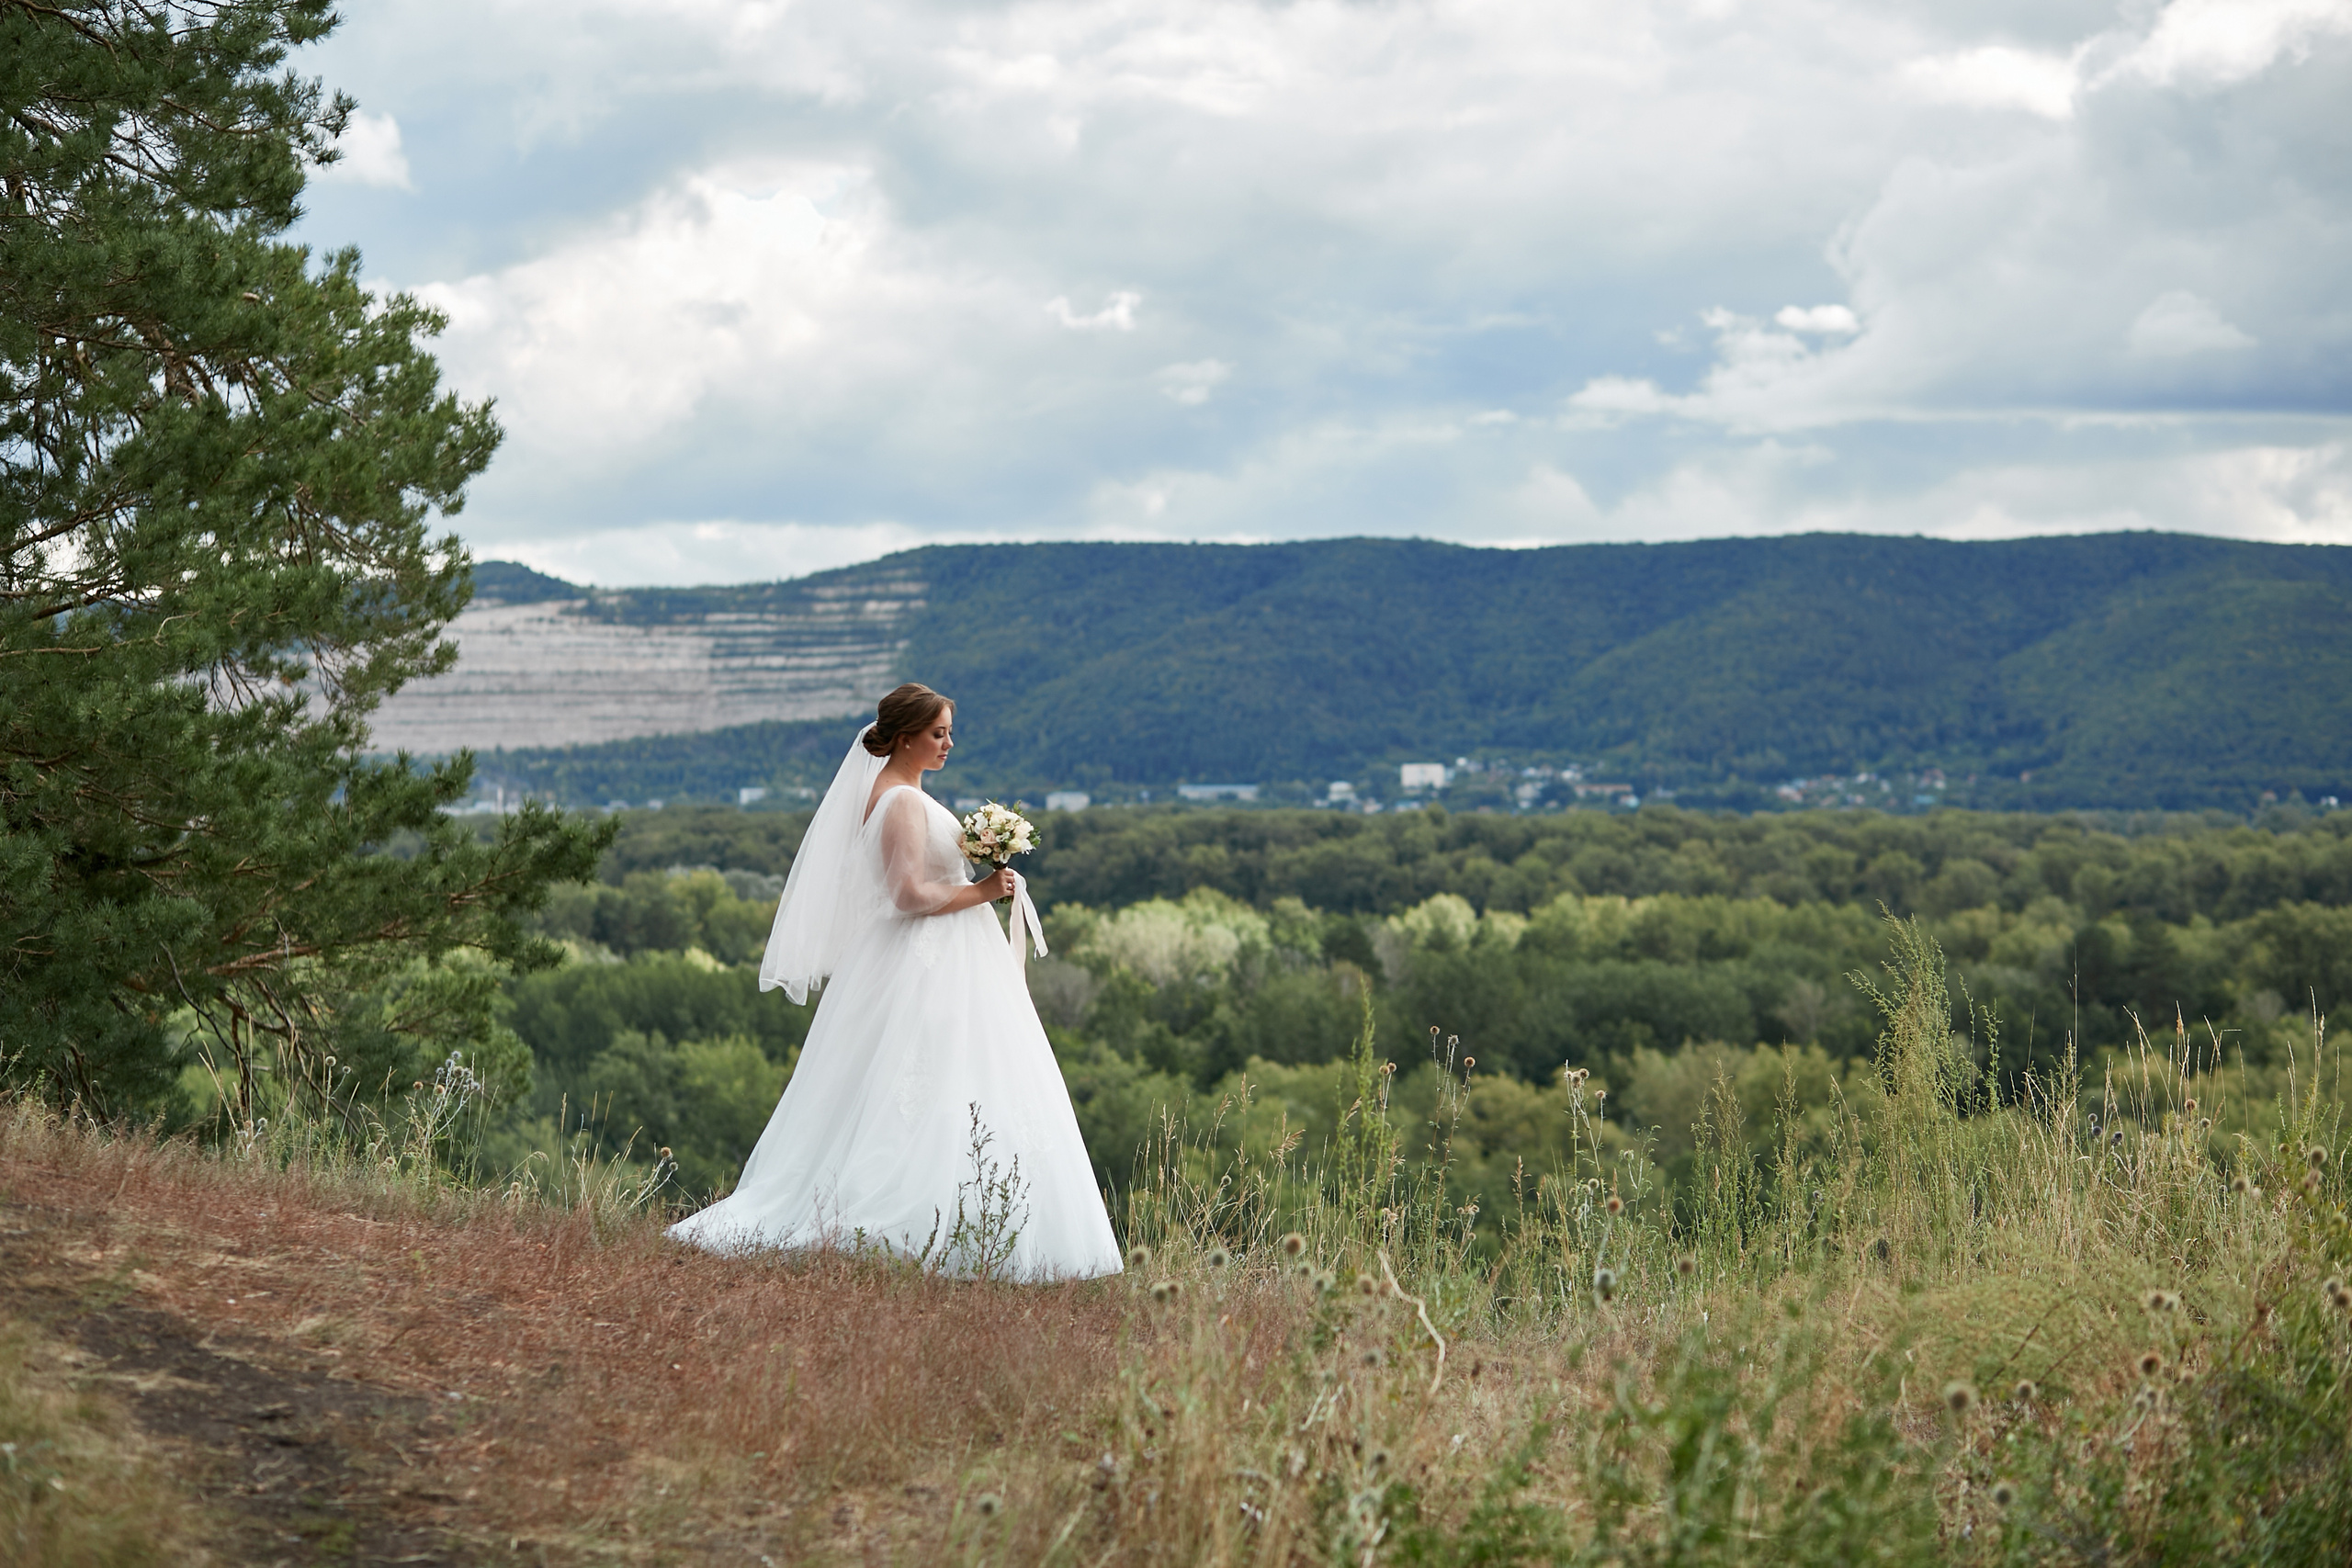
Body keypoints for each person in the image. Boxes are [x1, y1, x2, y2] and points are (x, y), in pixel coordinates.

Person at [666, 683, 1123, 1280]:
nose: (949, 743)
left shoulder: (893, 793)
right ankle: (929, 1223)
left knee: (943, 1083)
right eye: (938, 733)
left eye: (949, 732)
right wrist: (982, 890)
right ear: (906, 736)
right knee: (933, 1081)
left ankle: (963, 1218)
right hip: (926, 959)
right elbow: (907, 893)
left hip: (932, 953)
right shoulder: (902, 801)